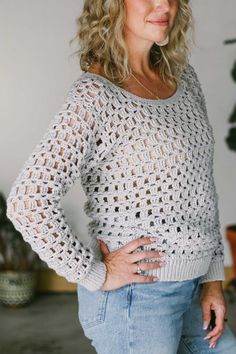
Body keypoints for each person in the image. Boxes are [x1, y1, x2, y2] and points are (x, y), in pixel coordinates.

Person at [6, 0, 236, 353]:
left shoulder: (183, 78)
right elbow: (28, 201)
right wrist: (94, 274)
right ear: (112, 5)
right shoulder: (95, 95)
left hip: (192, 290)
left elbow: (201, 189)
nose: (165, 5)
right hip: (135, 299)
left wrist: (212, 279)